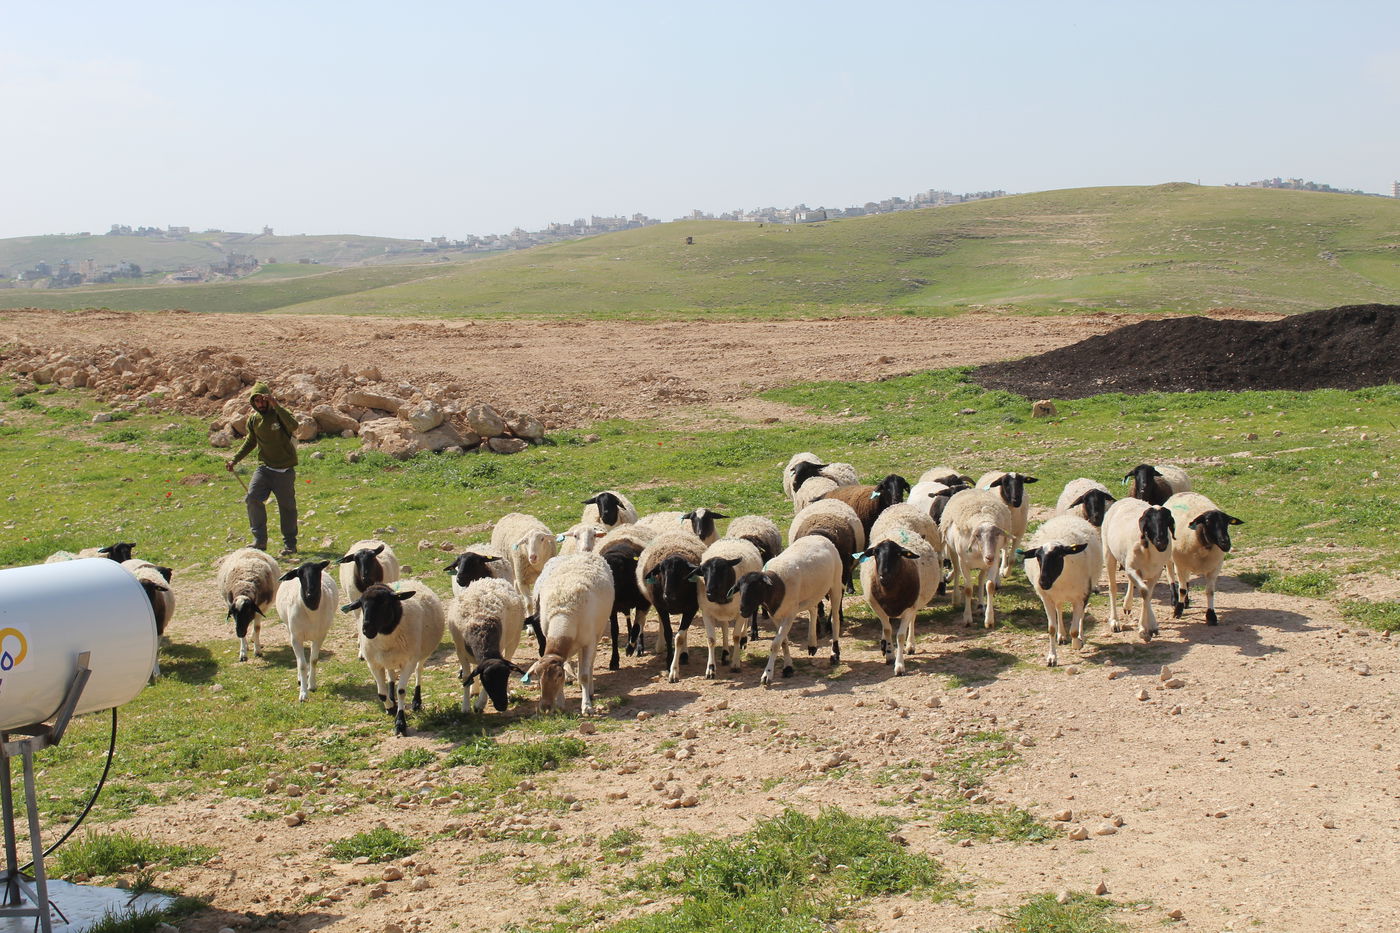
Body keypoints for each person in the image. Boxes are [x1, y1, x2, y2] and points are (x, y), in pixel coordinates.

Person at [227, 382, 299, 555]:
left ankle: (290, 544)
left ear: (268, 399)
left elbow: (293, 425)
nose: (260, 404)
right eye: (256, 401)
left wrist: (276, 405)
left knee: (287, 507)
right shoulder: (254, 419)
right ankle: (259, 541)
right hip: (264, 469)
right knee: (252, 499)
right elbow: (251, 441)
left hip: (284, 470)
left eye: (263, 400)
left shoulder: (280, 414)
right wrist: (235, 460)